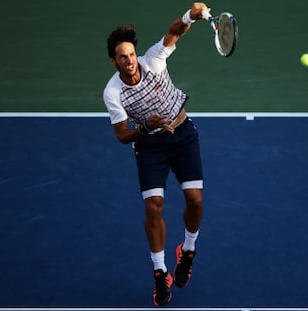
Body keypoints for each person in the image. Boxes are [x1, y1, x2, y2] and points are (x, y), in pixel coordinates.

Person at [103, 2, 209, 306]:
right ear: (114, 62)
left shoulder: (154, 60)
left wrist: (192, 14)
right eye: (122, 57)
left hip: (183, 135)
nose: (129, 61)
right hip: (150, 146)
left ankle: (187, 250)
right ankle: (160, 271)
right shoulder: (113, 93)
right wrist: (147, 127)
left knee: (196, 201)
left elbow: (174, 32)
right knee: (154, 207)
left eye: (131, 54)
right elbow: (122, 135)